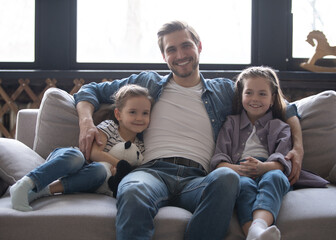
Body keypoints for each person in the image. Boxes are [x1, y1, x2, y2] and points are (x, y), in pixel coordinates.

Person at [73, 20, 303, 239]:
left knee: (227, 176)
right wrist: (86, 123)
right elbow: (89, 91)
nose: (180, 55)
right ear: (164, 56)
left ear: (199, 46)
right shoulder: (147, 83)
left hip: (199, 178)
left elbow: (284, 105)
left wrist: (299, 148)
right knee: (133, 188)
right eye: (171, 49)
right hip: (152, 172)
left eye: (186, 46)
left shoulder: (223, 90)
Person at [10, 84, 152, 211]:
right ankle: (26, 183)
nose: (139, 118)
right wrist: (120, 165)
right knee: (76, 156)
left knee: (100, 171)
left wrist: (120, 173)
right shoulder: (109, 127)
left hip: (90, 177)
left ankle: (40, 192)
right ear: (118, 114)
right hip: (70, 162)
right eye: (133, 112)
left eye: (145, 113)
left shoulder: (140, 146)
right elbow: (94, 153)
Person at [211, 66, 292, 240]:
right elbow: (219, 160)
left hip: (268, 169)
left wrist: (263, 168)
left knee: (275, 177)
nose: (255, 99)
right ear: (241, 97)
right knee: (244, 186)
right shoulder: (231, 124)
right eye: (249, 93)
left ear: (272, 99)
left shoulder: (281, 127)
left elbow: (283, 162)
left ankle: (258, 227)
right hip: (239, 170)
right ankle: (255, 235)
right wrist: (239, 170)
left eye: (262, 94)